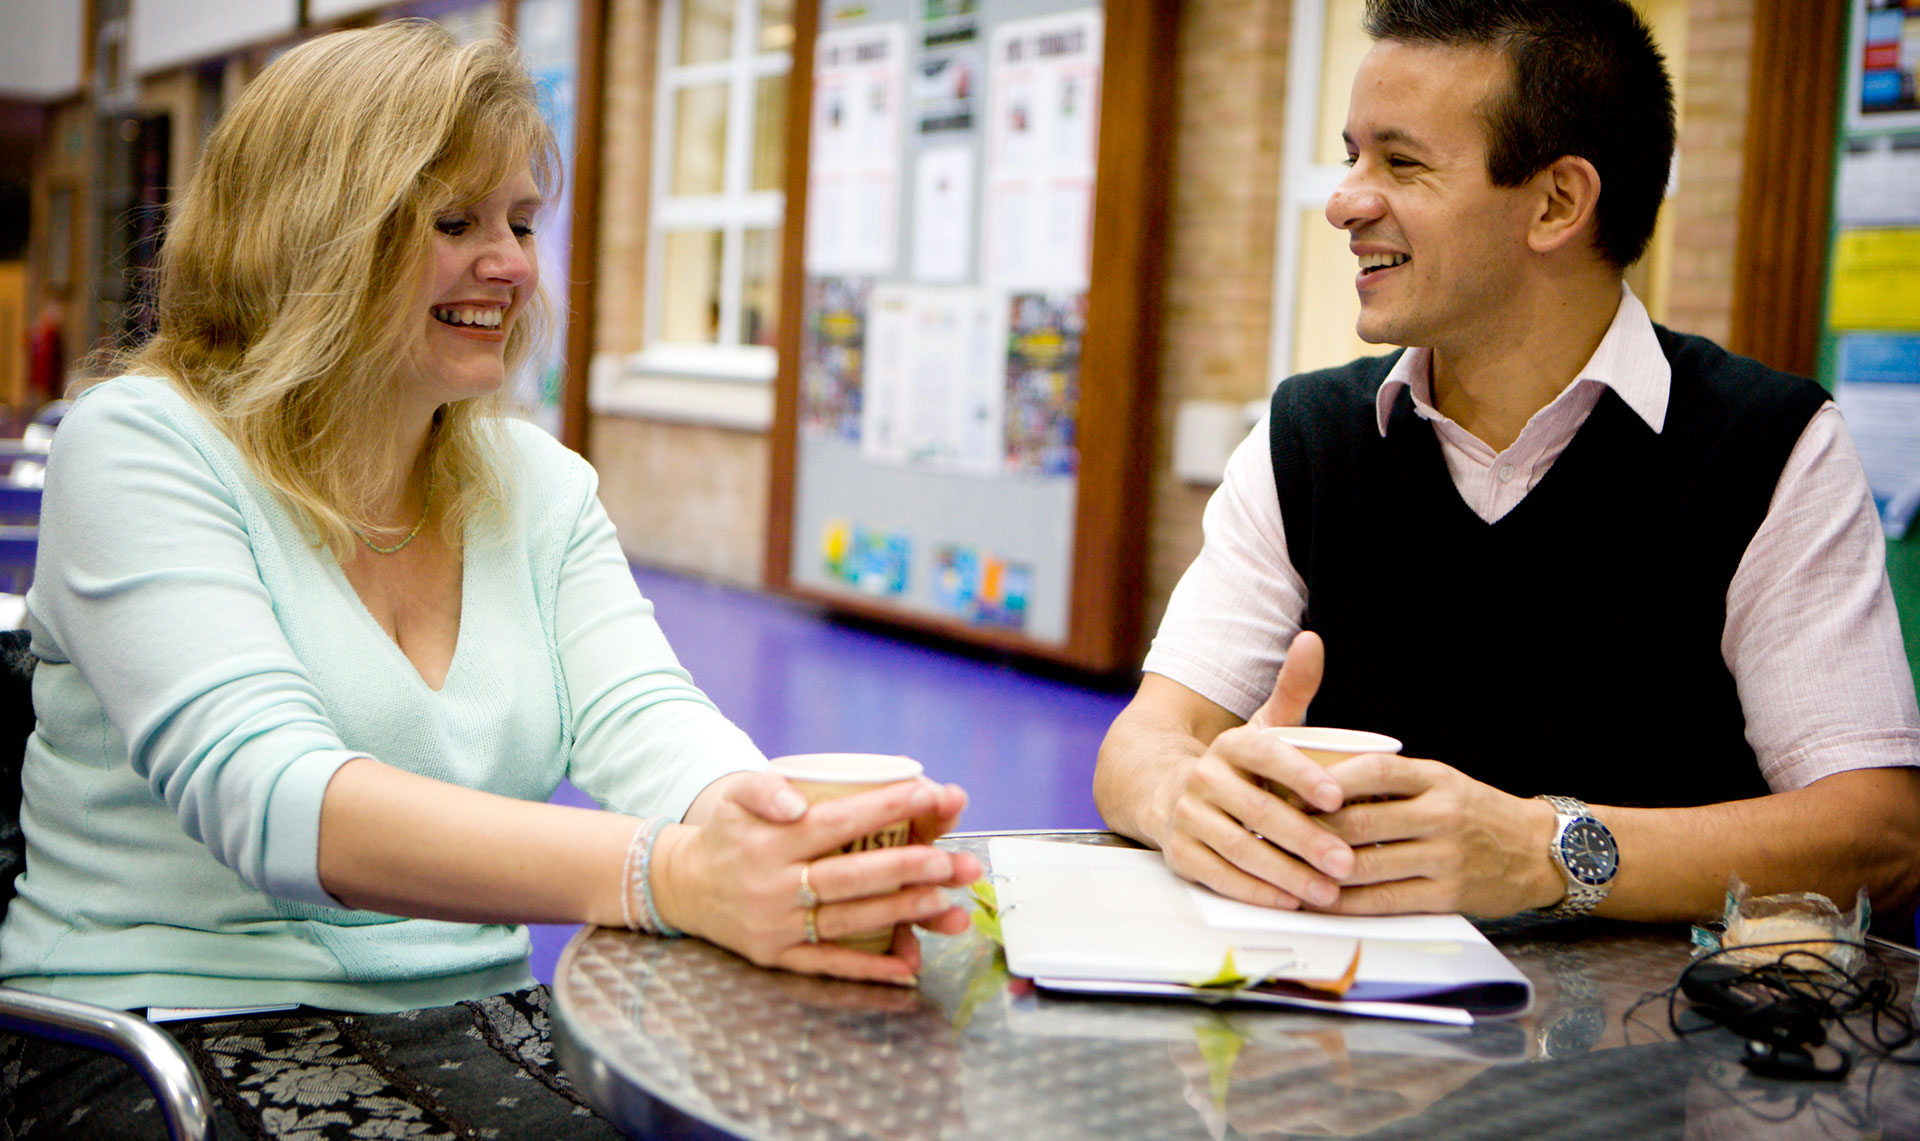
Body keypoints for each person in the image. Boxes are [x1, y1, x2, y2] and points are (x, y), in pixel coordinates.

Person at [0, 21, 980, 1139]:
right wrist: (671, 875)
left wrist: (774, 833)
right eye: (454, 222)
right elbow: (268, 796)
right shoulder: (142, 443)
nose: (512, 263)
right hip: (158, 1033)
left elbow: (646, 717)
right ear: (315, 234)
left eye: (520, 221)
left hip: (467, 1021)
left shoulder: (536, 483)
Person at [1095, 0, 1920, 929]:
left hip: (1658, 1056)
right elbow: (1144, 740)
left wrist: (1539, 849)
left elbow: (1879, 833)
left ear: (1558, 202)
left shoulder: (1769, 450)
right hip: (1349, 1043)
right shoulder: (1308, 438)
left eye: (1401, 163)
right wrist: (1186, 801)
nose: (1344, 201)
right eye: (1350, 154)